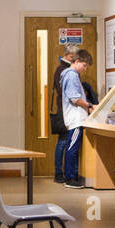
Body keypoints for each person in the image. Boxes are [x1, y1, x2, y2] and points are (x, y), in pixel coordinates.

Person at [60, 48, 94, 188]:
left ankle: (71, 175)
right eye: (84, 66)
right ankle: (70, 178)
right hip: (75, 118)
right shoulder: (72, 75)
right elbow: (75, 98)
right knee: (72, 148)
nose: (84, 69)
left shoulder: (68, 74)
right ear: (77, 61)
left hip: (75, 117)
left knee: (72, 147)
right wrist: (90, 105)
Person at [51, 47, 77, 182]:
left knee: (63, 141)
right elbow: (65, 91)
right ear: (69, 55)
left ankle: (60, 173)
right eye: (74, 56)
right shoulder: (64, 70)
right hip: (65, 110)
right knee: (62, 141)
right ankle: (58, 173)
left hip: (64, 109)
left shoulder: (61, 69)